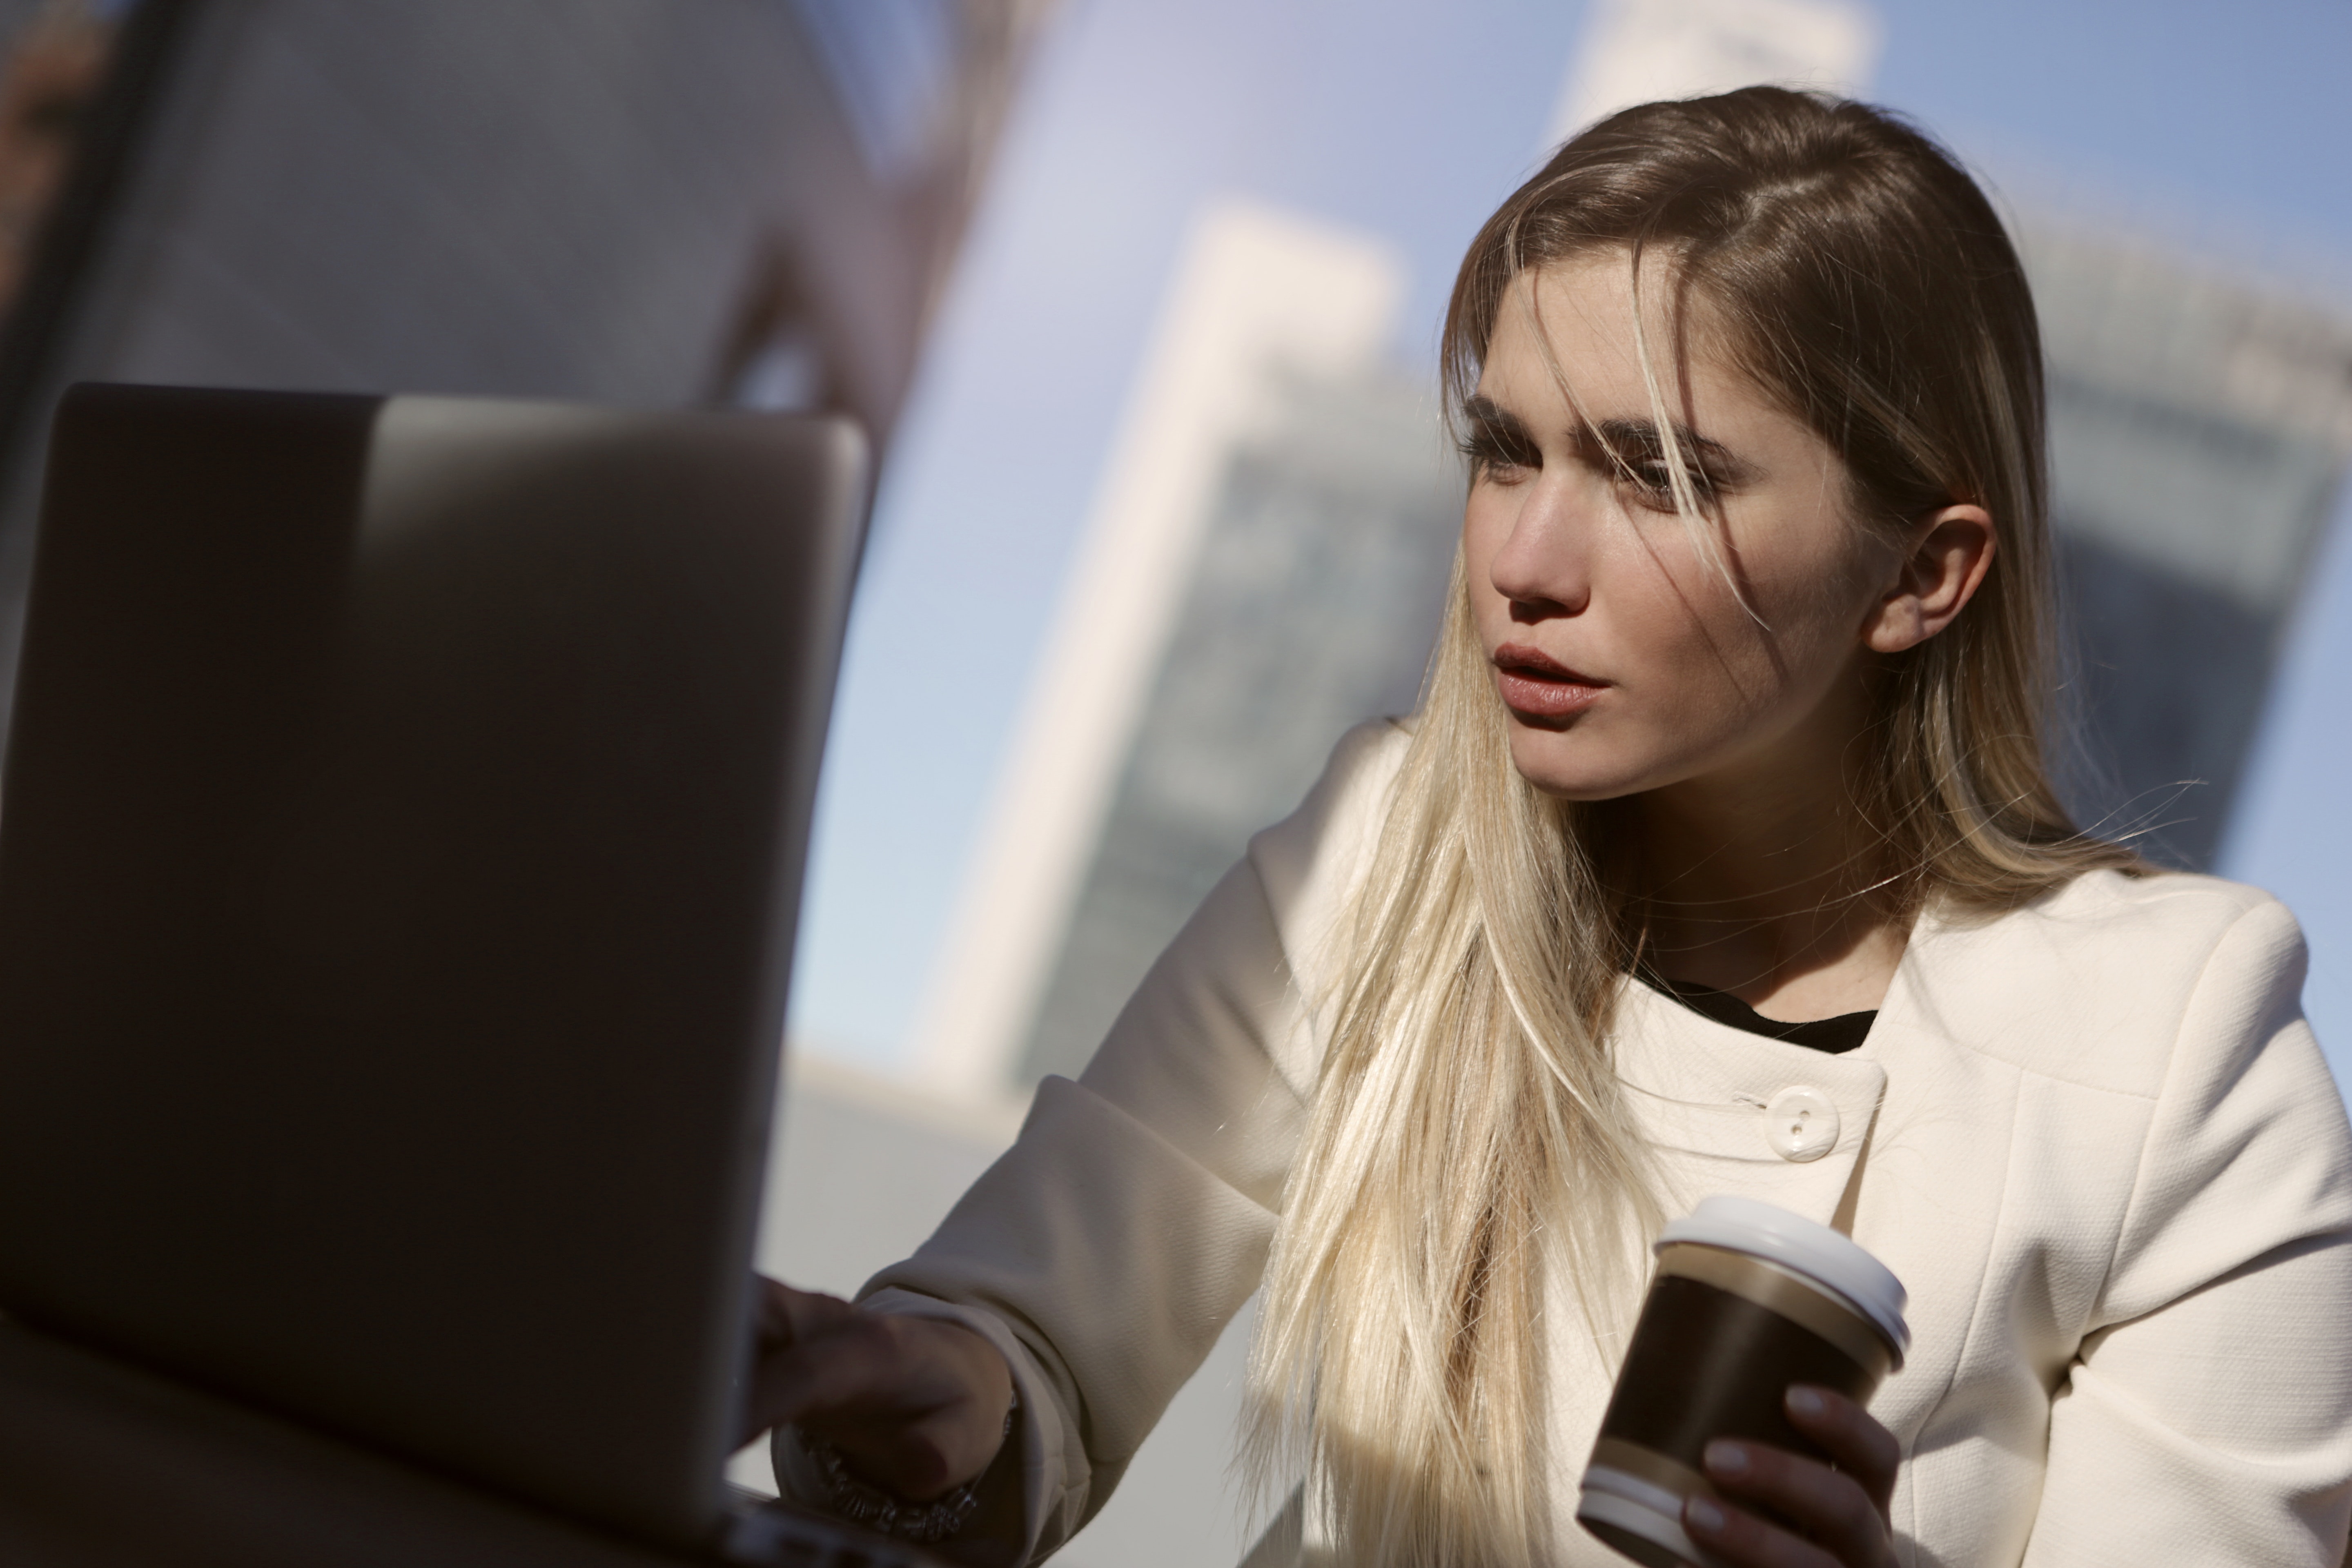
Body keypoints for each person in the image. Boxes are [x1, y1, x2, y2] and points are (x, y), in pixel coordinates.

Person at [741, 88, 2352, 1568]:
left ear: (1922, 574)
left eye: (1658, 476)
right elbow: (1037, 1340)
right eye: (1505, 449)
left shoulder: (2177, 1043)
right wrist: (929, 1380)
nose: (1528, 557)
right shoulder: (1386, 848)